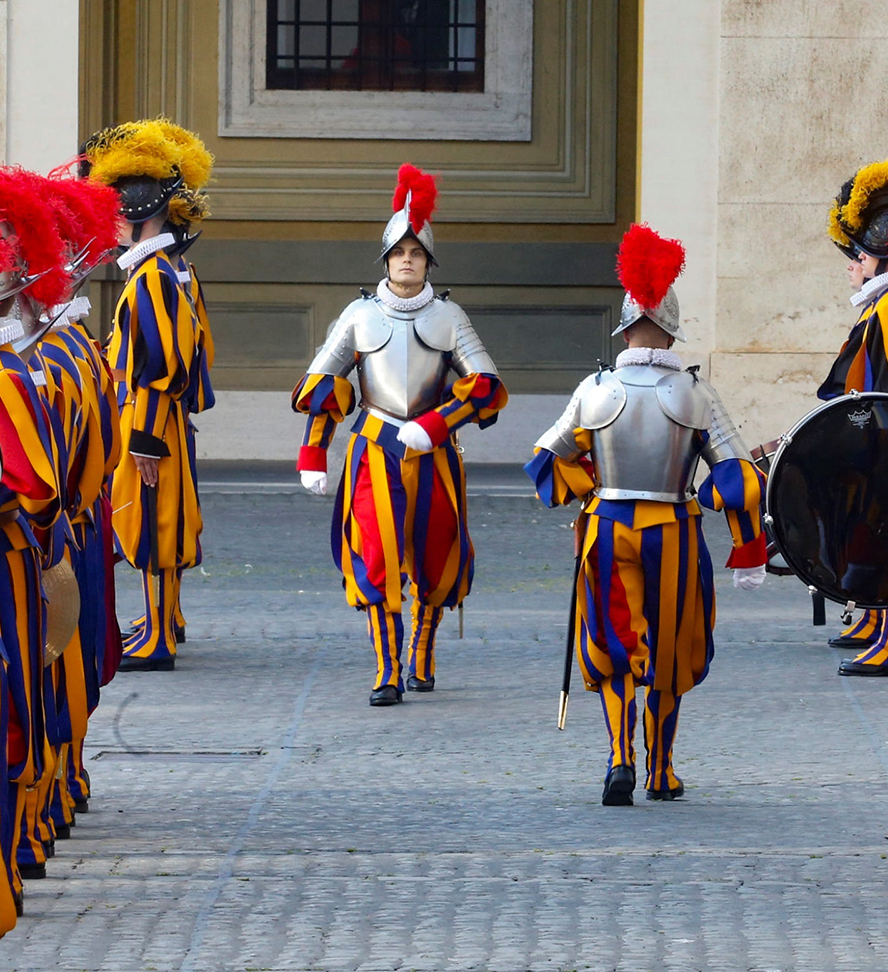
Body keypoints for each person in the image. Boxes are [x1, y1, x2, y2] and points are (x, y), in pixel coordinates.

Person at [527, 224, 767, 806]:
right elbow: (738, 478)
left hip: (608, 529)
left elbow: (542, 462)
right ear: (671, 327)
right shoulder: (694, 393)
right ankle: (661, 769)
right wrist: (741, 538)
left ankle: (619, 757)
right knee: (669, 645)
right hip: (675, 532)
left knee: (614, 642)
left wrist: (587, 490)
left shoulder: (595, 387)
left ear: (627, 325)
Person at [291, 164, 508, 706]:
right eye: (398, 252)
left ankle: (422, 651)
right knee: (376, 553)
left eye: (416, 252)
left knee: (436, 555)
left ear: (428, 261)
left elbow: (486, 387)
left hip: (434, 453)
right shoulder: (359, 315)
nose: (407, 259)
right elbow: (323, 385)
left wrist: (434, 425)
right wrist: (313, 452)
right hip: (373, 449)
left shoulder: (450, 315)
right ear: (386, 260)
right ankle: (387, 668)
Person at [78, 120, 219, 672]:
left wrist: (143, 438)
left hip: (148, 419)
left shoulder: (151, 276)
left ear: (137, 217)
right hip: (154, 417)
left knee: (151, 522)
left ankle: (159, 636)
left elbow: (160, 366)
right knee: (158, 519)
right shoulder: (160, 271)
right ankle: (166, 621)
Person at [819, 161, 888, 676]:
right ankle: (870, 622)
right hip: (883, 435)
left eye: (857, 254)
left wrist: (876, 446)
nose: (850, 265)